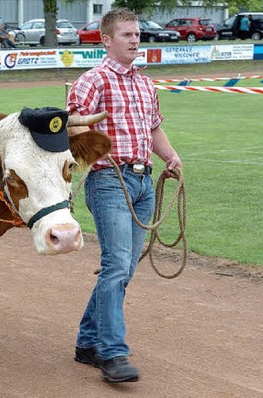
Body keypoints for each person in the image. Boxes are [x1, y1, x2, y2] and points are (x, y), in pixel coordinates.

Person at [66, 8, 181, 384]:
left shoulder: (146, 85)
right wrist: (92, 149)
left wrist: (170, 156)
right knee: (116, 267)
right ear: (107, 40)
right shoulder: (92, 81)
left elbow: (154, 129)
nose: (135, 40)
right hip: (109, 182)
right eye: (127, 35)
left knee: (124, 269)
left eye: (137, 34)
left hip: (144, 183)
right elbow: (72, 129)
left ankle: (87, 341)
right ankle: (112, 354)